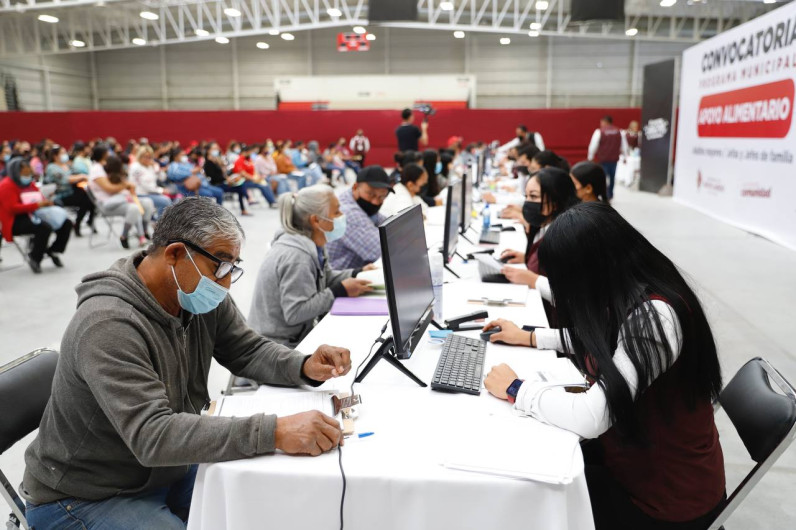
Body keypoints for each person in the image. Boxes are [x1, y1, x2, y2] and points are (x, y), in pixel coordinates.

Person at [21, 198, 352, 529]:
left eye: (232, 268)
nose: (224, 283)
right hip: (86, 495)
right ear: (175, 254)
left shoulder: (194, 293)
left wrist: (304, 365)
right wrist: (274, 431)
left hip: (162, 469)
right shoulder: (108, 324)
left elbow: (246, 350)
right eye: (219, 267)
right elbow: (153, 434)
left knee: (267, 503)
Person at [483, 202, 725, 530]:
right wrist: (529, 337)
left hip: (664, 501)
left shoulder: (655, 319)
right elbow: (605, 342)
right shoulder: (628, 291)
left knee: (528, 501)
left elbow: (592, 417)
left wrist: (516, 389)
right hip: (636, 464)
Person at [248, 185, 373, 348]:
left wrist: (357, 272)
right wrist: (340, 290)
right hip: (276, 349)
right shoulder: (297, 257)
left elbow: (324, 277)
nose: (342, 216)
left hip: (294, 338)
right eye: (336, 212)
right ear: (316, 220)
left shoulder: (314, 243)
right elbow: (295, 312)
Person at [498, 167, 579, 288]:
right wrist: (528, 259)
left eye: (534, 197)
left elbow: (573, 294)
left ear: (556, 201)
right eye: (526, 196)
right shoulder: (544, 227)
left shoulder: (568, 238)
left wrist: (534, 281)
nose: (528, 203)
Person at [0, 158, 73, 273]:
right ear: (16, 172)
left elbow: (39, 197)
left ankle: (54, 250)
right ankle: (35, 257)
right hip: (15, 220)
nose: (27, 175)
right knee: (44, 228)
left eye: (28, 172)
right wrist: (36, 205)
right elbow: (12, 208)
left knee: (66, 223)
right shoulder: (6, 186)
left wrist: (46, 202)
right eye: (24, 173)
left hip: (35, 214)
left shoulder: (29, 183)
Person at [327, 166, 393, 270]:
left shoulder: (360, 205)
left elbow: (390, 226)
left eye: (382, 197)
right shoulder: (348, 213)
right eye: (371, 194)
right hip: (340, 280)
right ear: (355, 187)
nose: (375, 202)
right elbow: (385, 252)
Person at [88, 146, 154, 249]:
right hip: (106, 203)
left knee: (147, 202)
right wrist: (126, 185)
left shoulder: (106, 166)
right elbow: (109, 188)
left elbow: (118, 184)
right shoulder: (96, 169)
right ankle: (124, 235)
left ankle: (144, 232)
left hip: (120, 199)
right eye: (107, 152)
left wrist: (127, 186)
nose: (110, 154)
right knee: (134, 208)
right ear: (103, 155)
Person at [43, 145, 95, 237]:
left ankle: (85, 221)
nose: (65, 155)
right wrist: (81, 176)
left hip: (73, 192)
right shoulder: (52, 167)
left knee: (90, 197)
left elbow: (76, 172)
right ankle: (79, 223)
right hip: (60, 195)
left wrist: (81, 175)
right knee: (86, 199)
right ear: (55, 156)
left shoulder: (66, 165)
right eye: (62, 153)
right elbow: (64, 179)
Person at [588, 115, 628, 201]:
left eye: (601, 122)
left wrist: (590, 157)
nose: (601, 124)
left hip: (603, 159)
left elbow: (593, 145)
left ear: (605, 122)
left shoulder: (599, 132)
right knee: (612, 177)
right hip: (614, 159)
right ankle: (610, 194)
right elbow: (624, 145)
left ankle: (604, 194)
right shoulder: (619, 131)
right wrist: (625, 156)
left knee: (603, 177)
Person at [129, 145, 173, 220]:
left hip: (150, 193)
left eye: (150, 157)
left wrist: (157, 168)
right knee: (165, 201)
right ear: (139, 156)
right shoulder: (135, 167)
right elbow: (146, 186)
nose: (148, 159)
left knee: (169, 199)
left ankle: (158, 221)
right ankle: (159, 223)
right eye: (145, 157)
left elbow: (163, 178)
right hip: (139, 194)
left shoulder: (150, 166)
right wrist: (161, 190)